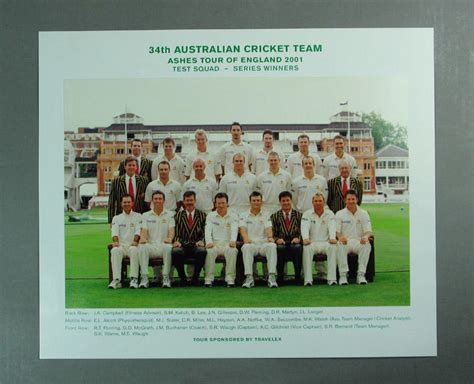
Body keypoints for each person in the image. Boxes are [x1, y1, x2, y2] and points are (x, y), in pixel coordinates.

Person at [240, 192, 278, 288]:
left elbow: (268, 229)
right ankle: (249, 278)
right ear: (250, 202)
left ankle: (272, 277)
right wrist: (246, 239)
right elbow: (242, 229)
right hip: (251, 243)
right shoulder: (243, 215)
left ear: (261, 202)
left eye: (258, 200)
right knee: (246, 247)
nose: (256, 202)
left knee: (272, 246)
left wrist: (270, 237)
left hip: (263, 244)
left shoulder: (266, 214)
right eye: (254, 200)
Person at [137, 191, 175, 288]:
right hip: (151, 246)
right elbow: (144, 230)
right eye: (155, 199)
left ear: (164, 201)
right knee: (142, 247)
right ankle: (144, 277)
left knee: (168, 248)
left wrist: (170, 238)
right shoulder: (145, 215)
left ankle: (166, 277)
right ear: (152, 201)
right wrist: (143, 238)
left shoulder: (170, 214)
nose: (157, 201)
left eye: (160, 199)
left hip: (164, 245)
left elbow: (171, 230)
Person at [335, 189, 372, 285]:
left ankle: (361, 275)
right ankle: (343, 276)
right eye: (349, 199)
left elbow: (368, 231)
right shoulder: (339, 214)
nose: (351, 201)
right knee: (340, 244)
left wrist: (366, 237)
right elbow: (337, 232)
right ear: (345, 200)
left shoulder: (364, 213)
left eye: (353, 199)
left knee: (367, 244)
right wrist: (340, 237)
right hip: (345, 241)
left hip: (358, 242)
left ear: (357, 199)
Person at [301, 192, 338, 286]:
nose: (318, 203)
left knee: (333, 247)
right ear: (312, 202)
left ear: (324, 202)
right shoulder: (307, 214)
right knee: (306, 248)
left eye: (320, 201)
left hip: (326, 242)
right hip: (312, 242)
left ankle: (332, 278)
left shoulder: (330, 213)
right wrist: (305, 238)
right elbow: (304, 227)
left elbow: (332, 226)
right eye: (316, 201)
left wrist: (332, 238)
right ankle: (308, 279)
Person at [172, 191, 207, 286]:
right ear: (183, 202)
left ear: (195, 201)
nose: (189, 203)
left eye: (191, 200)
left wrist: (202, 241)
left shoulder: (202, 215)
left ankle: (195, 278)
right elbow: (176, 232)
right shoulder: (178, 216)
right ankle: (183, 278)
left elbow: (205, 231)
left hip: (196, 245)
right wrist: (177, 241)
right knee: (176, 252)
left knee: (202, 251)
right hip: (183, 245)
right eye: (187, 200)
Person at [204, 193, 239, 287]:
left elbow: (234, 229)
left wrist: (233, 241)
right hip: (215, 244)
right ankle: (208, 279)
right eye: (218, 203)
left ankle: (230, 279)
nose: (221, 205)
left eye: (223, 203)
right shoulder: (210, 215)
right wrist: (209, 242)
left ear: (227, 203)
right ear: (215, 204)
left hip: (228, 243)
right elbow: (207, 230)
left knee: (232, 251)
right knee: (209, 252)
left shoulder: (233, 215)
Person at [108, 194, 142, 289]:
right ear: (121, 204)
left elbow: (138, 231)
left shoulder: (138, 216)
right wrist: (115, 242)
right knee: (115, 250)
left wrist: (135, 241)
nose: (126, 204)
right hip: (121, 246)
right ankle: (117, 280)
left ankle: (134, 279)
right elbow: (114, 232)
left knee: (134, 250)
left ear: (132, 203)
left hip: (133, 245)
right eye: (124, 202)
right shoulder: (116, 218)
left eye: (128, 202)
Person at [270, 191, 303, 285]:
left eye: (287, 200)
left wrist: (299, 238)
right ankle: (280, 278)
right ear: (280, 202)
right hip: (282, 243)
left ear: (291, 201)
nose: (285, 203)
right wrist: (277, 240)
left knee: (297, 247)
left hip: (294, 242)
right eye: (283, 201)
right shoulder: (274, 216)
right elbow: (272, 233)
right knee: (279, 248)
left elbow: (304, 231)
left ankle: (297, 277)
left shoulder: (299, 215)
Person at [108, 156, 148, 223]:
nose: (131, 167)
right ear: (125, 167)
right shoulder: (116, 181)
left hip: (139, 217)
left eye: (133, 165)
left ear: (136, 167)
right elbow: (111, 202)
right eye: (129, 165)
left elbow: (146, 201)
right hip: (121, 217)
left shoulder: (144, 181)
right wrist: (111, 220)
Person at [256, 151, 292, 216]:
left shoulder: (287, 175)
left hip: (281, 207)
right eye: (271, 160)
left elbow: (289, 193)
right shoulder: (261, 176)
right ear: (268, 161)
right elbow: (259, 194)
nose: (273, 162)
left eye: (275, 160)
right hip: (266, 208)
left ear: (279, 160)